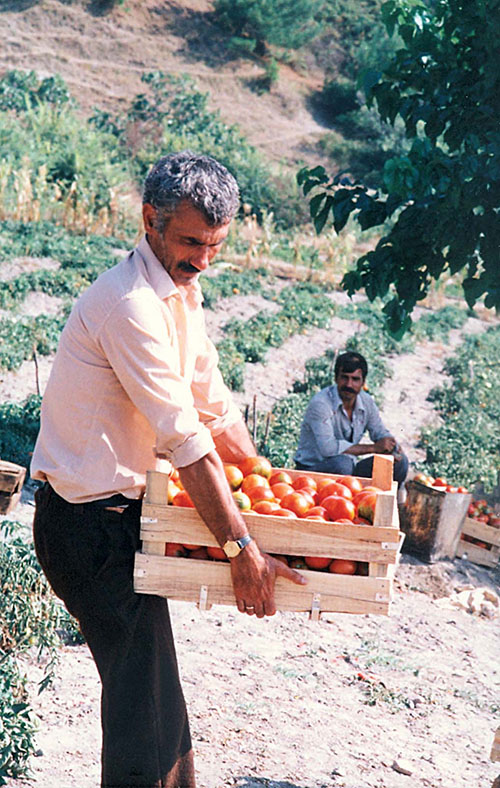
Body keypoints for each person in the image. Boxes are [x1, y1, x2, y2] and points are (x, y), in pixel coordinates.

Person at [30, 150, 306, 788]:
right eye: (189, 242)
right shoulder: (130, 306)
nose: (202, 259)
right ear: (149, 219)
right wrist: (241, 548)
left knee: (152, 701)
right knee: (143, 711)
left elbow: (214, 407)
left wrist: (273, 486)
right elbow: (184, 438)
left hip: (125, 518)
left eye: (215, 245)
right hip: (88, 525)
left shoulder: (181, 291)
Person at [294, 350, 408, 486]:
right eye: (344, 378)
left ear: (363, 382)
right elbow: (328, 448)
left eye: (355, 379)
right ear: (336, 378)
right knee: (343, 464)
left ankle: (393, 503)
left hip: (348, 469)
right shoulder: (321, 404)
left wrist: (391, 444)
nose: (349, 385)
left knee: (400, 462)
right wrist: (374, 448)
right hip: (313, 470)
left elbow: (378, 431)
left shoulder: (366, 402)